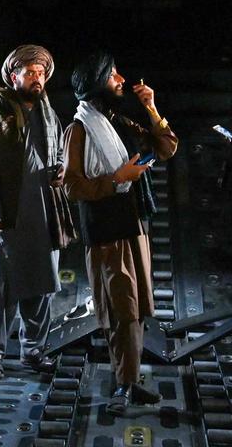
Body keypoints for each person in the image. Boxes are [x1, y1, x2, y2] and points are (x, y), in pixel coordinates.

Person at [62, 51, 178, 415]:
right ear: (98, 82)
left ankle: (129, 380)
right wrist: (117, 180)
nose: (121, 79)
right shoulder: (80, 130)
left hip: (133, 227)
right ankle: (125, 384)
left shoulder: (118, 121)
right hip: (107, 233)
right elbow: (72, 186)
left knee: (137, 307)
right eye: (113, 74)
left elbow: (165, 147)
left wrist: (152, 107)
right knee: (120, 309)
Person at [0, 44, 76, 379]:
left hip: (43, 211)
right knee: (4, 288)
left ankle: (33, 350)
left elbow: (59, 152)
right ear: (13, 76)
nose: (37, 78)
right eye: (30, 73)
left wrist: (61, 169)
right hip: (8, 214)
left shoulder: (48, 112)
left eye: (41, 73)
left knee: (41, 284)